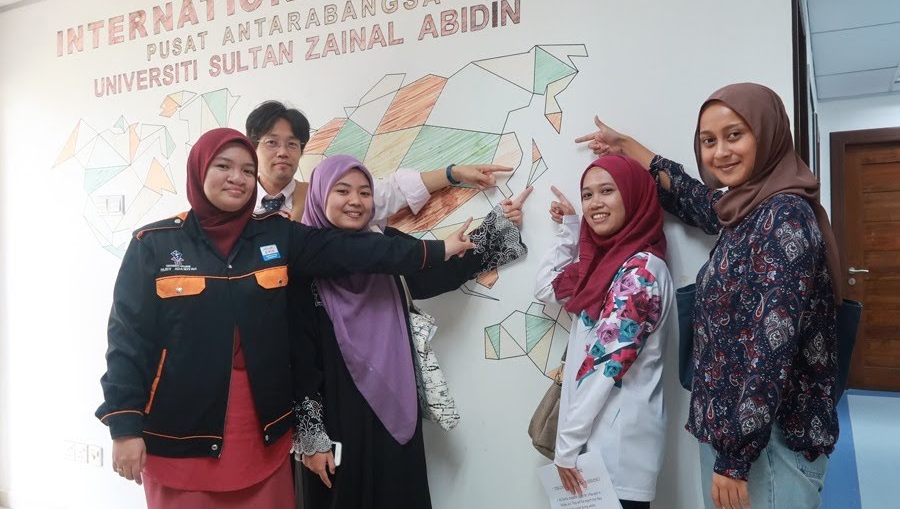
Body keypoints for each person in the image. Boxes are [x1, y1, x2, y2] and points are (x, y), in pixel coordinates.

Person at [95, 128, 474, 508]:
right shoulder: (154, 244)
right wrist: (124, 427)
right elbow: (128, 341)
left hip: (263, 432)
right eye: (223, 166)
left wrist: (437, 250)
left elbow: (353, 251)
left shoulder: (276, 235)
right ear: (198, 170)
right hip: (180, 435)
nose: (237, 178)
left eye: (247, 170)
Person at [576, 83, 841, 509]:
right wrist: (628, 149)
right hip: (733, 434)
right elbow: (696, 198)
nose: (720, 152)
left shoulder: (784, 217)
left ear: (768, 133)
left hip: (765, 444)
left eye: (735, 135)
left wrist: (735, 457)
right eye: (708, 141)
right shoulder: (747, 209)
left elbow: (770, 348)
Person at [292, 154, 529, 509]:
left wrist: (500, 226)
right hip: (336, 415)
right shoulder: (302, 263)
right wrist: (311, 436)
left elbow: (437, 270)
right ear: (320, 194)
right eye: (342, 191)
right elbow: (297, 357)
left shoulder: (384, 245)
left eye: (364, 192)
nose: (355, 201)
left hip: (393, 402)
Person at [534, 155, 673, 509]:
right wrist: (570, 229)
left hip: (616, 452)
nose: (595, 203)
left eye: (607, 191)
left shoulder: (640, 273)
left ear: (633, 195)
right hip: (592, 446)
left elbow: (604, 368)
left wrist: (567, 445)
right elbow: (545, 288)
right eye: (588, 194)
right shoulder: (603, 265)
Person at [246, 100, 510, 222]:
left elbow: (393, 191)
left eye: (292, 144)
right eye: (272, 143)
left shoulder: (322, 195)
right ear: (252, 146)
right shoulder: (236, 205)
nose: (283, 152)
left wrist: (454, 174)